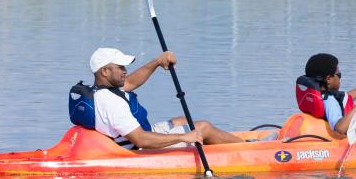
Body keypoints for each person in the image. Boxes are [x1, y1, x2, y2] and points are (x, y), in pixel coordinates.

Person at [87, 47, 244, 149]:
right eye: (120, 67)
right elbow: (141, 140)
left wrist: (157, 61)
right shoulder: (112, 103)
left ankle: (222, 142)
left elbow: (130, 82)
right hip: (141, 148)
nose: (125, 71)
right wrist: (183, 136)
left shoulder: (102, 90)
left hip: (140, 133)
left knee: (181, 120)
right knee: (204, 127)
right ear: (105, 71)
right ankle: (249, 148)